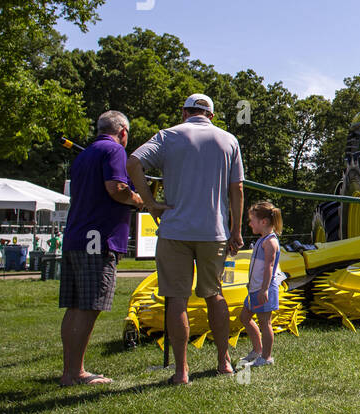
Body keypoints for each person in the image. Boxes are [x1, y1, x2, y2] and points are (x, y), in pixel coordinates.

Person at [127, 93, 244, 385]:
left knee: (176, 299)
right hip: (213, 232)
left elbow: (133, 163)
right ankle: (224, 362)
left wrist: (150, 202)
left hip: (175, 230)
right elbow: (237, 189)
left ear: (184, 112)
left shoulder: (168, 136)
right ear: (211, 116)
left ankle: (181, 371)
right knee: (214, 295)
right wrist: (236, 230)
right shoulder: (228, 140)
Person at [59, 110, 142, 386]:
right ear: (123, 132)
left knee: (74, 306)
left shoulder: (84, 155)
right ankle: (76, 373)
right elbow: (117, 188)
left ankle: (70, 370)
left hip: (75, 236)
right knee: (89, 307)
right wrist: (140, 199)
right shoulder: (115, 151)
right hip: (98, 241)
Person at [239, 201, 284, 368]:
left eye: (252, 220)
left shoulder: (270, 242)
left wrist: (264, 289)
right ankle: (257, 350)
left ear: (263, 222)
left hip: (263, 290)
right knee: (244, 317)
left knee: (265, 323)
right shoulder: (262, 240)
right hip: (255, 289)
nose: (250, 223)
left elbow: (269, 268)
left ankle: (266, 357)